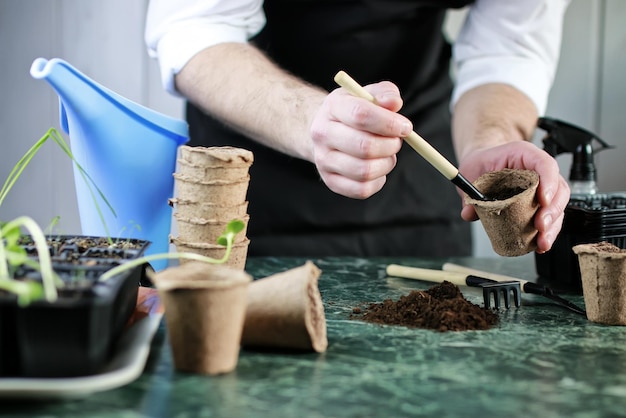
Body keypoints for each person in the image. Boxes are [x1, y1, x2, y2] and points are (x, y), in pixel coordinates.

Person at [145, 0, 571, 257]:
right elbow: (195, 27)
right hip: (252, 180)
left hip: (416, 184)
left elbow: (510, 45)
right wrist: (311, 120)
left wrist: (489, 140)